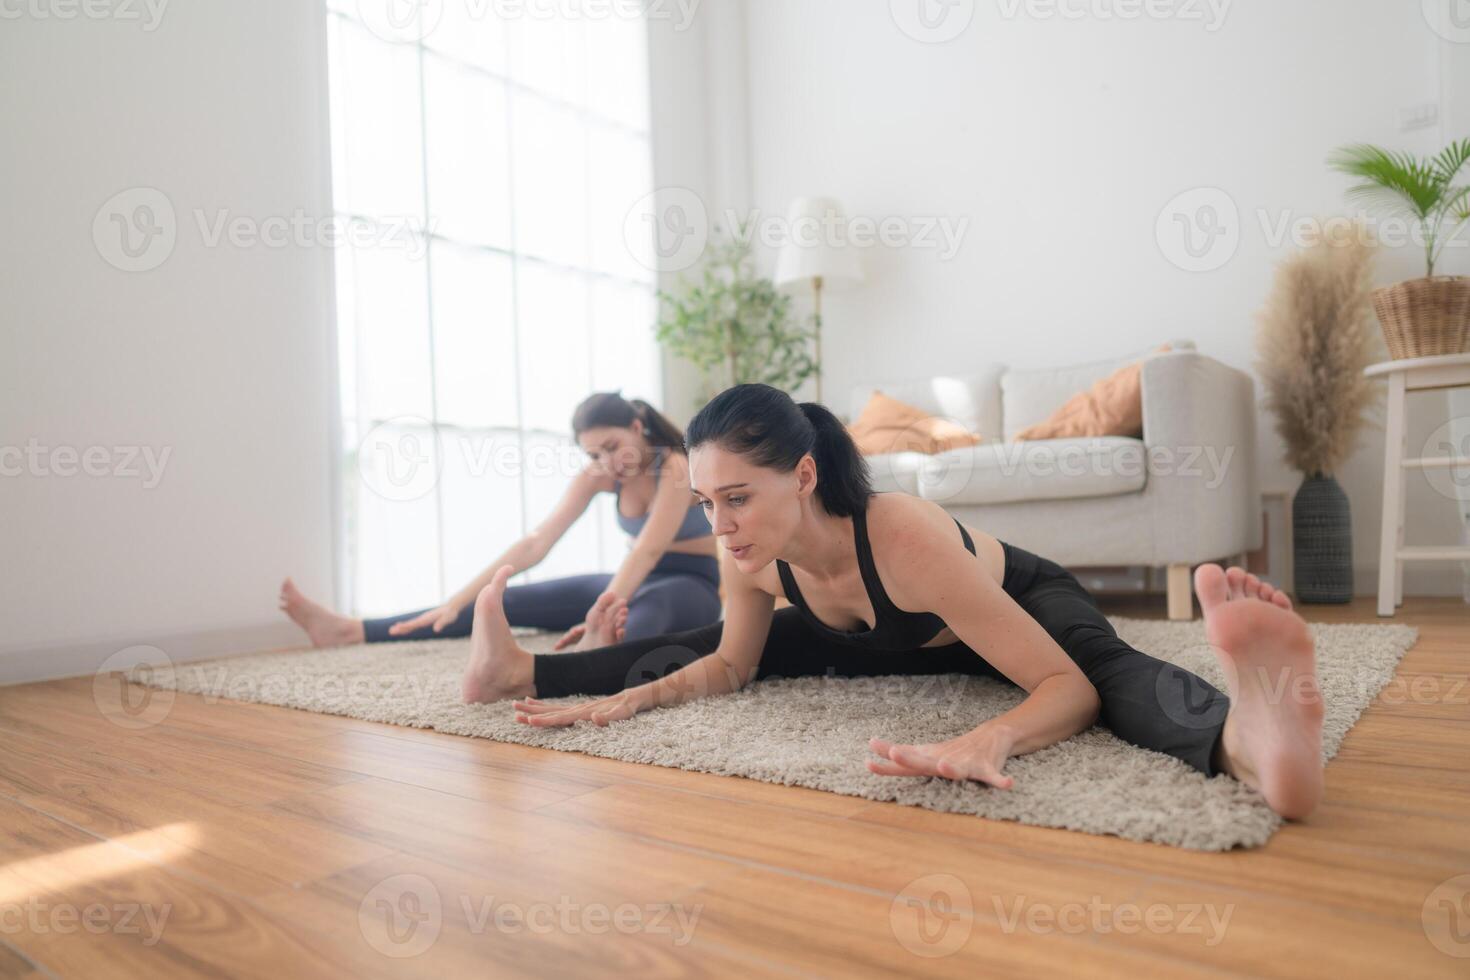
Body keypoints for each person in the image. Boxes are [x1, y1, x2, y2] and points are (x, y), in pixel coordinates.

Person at [460, 383, 1325, 820]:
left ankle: (1250, 739)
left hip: (995, 601)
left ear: (803, 476)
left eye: (739, 498)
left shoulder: (900, 536)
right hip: (872, 633)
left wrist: (991, 735)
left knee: (1100, 668)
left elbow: (1068, 690)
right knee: (705, 639)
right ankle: (521, 669)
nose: (721, 525)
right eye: (708, 502)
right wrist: (634, 698)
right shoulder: (753, 556)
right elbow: (731, 665)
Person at [279, 393, 723, 653]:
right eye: (593, 455)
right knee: (497, 602)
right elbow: (536, 542)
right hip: (629, 579)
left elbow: (647, 548)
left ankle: (561, 670)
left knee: (628, 632)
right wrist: (458, 599)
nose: (607, 462)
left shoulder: (676, 466)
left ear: (637, 425)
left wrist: (600, 614)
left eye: (612, 446)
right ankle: (350, 630)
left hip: (688, 585)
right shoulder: (599, 478)